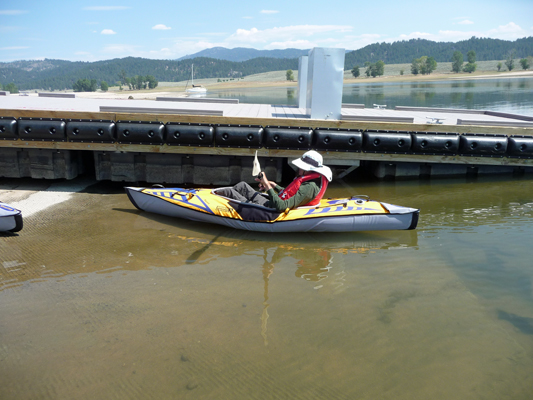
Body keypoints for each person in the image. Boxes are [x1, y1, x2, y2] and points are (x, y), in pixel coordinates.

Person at [218, 150, 332, 211]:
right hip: (270, 203)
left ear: (308, 170)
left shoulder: (309, 187)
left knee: (230, 192)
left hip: (268, 208)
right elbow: (291, 195)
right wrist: (274, 186)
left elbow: (282, 206)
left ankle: (216, 204)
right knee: (242, 185)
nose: (299, 168)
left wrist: (266, 184)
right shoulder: (309, 183)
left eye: (301, 167)